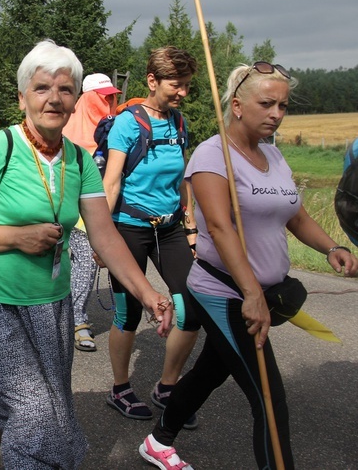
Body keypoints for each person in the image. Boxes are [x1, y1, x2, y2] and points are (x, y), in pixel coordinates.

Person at [0, 39, 173, 470]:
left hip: (52, 305)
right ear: (23, 96)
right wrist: (17, 237)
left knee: (18, 396)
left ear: (75, 99)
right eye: (42, 87)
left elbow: (105, 237)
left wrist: (147, 292)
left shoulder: (80, 161)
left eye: (65, 89)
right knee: (37, 410)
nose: (54, 98)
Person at [138, 62, 358, 470]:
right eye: (267, 103)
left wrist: (331, 247)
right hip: (224, 292)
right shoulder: (210, 155)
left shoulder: (273, 155)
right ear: (237, 105)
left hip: (264, 293)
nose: (276, 113)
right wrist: (251, 293)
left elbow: (296, 215)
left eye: (283, 106)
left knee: (211, 369)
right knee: (269, 402)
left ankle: (158, 440)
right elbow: (220, 228)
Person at [102, 47, 201, 427]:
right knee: (127, 313)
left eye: (188, 86)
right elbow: (111, 181)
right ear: (152, 81)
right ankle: (120, 388)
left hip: (170, 226)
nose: (182, 93)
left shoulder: (179, 123)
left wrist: (190, 226)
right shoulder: (128, 123)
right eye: (176, 85)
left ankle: (167, 386)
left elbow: (181, 179)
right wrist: (103, 238)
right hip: (128, 226)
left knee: (192, 307)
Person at [62, 73, 122, 352]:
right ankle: (75, 320)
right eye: (105, 96)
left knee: (84, 262)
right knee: (74, 263)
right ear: (88, 97)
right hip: (67, 204)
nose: (110, 100)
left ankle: (76, 319)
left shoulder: (113, 126)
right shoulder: (69, 120)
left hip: (97, 204)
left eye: (112, 96)